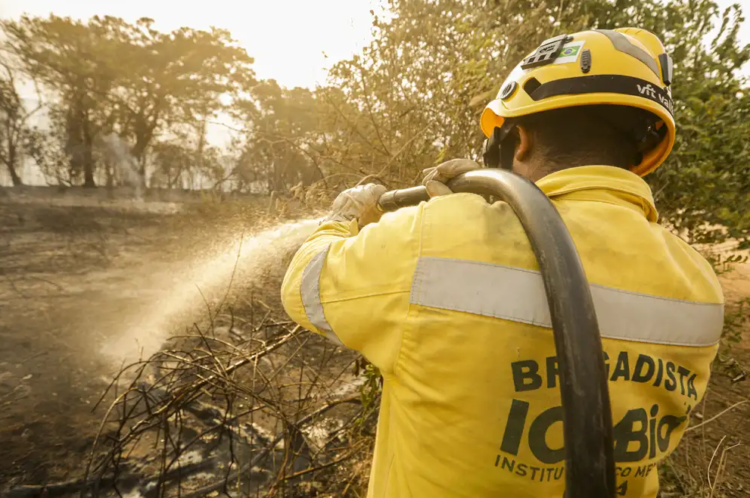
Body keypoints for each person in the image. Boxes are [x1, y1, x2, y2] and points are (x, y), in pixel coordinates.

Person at [281, 28, 724, 498]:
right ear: (642, 152)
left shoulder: (434, 239)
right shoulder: (700, 283)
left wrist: (347, 216)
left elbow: (304, 284)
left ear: (522, 138)